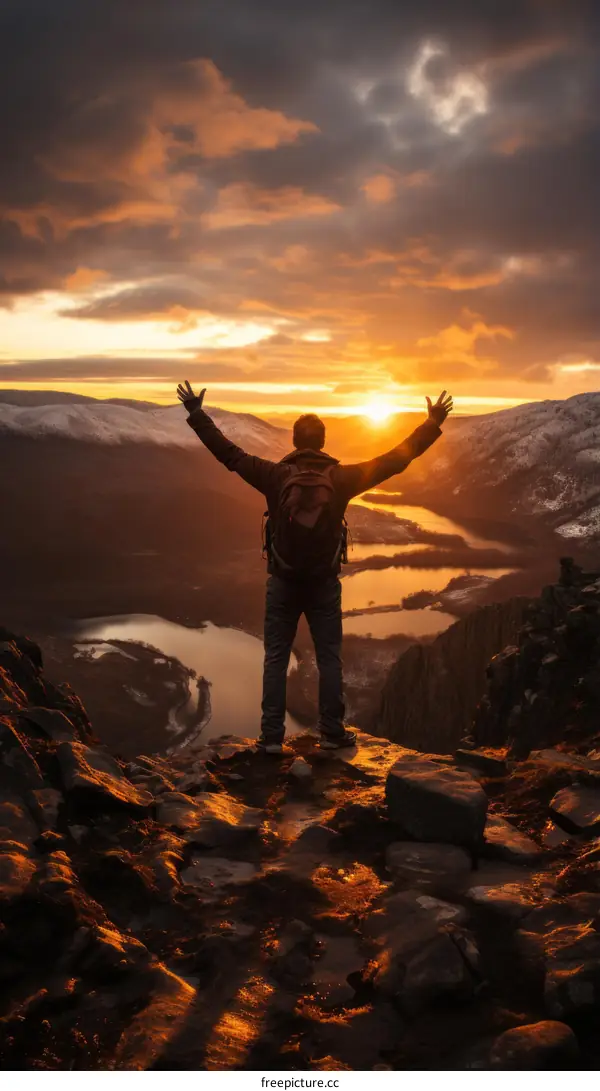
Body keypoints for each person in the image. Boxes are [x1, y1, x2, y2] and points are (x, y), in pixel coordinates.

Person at [178, 381, 453, 754]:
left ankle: (272, 739)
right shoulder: (341, 479)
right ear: (323, 443)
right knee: (329, 658)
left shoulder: (274, 476)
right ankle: (332, 734)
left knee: (276, 657)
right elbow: (396, 459)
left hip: (283, 580)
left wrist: (196, 414)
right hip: (324, 583)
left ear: (294, 441)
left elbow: (228, 453)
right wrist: (432, 423)